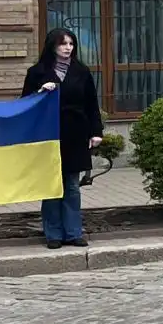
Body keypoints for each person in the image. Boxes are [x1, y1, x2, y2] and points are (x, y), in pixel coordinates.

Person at [21, 28, 103, 250]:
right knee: (51, 186)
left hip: (75, 133)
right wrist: (40, 92)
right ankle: (53, 234)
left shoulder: (81, 71)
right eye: (63, 44)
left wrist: (96, 132)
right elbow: (24, 104)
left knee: (72, 186)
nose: (68, 48)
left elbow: (91, 104)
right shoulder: (37, 72)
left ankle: (74, 233)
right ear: (52, 46)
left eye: (71, 44)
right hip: (48, 135)